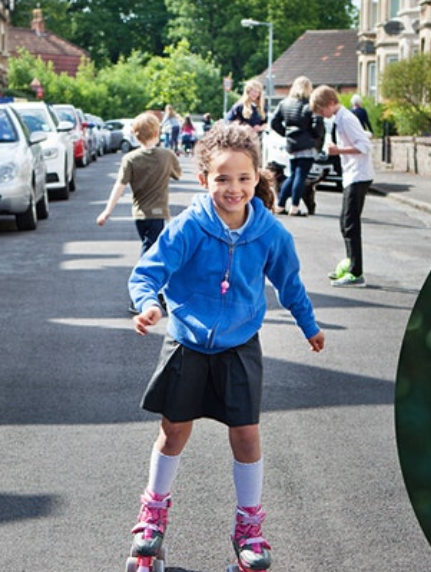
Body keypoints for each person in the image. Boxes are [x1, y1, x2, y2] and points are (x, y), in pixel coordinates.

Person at [125, 123, 325, 572]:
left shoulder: (271, 233)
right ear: (204, 181)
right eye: (222, 179)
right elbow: (147, 272)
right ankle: (152, 517)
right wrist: (148, 305)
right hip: (188, 343)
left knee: (247, 435)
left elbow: (289, 284)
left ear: (257, 178)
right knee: (174, 430)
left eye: (242, 179)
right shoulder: (189, 228)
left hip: (239, 345)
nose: (233, 188)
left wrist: (308, 323)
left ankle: (249, 527)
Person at [95, 112, 182, 312]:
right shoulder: (166, 155)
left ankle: (153, 293)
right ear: (157, 132)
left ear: (135, 135)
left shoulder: (130, 159)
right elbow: (177, 174)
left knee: (150, 250)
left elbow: (119, 185)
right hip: (158, 213)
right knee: (151, 254)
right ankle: (141, 296)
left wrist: (108, 211)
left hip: (140, 214)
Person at [310, 85, 373, 288]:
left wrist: (338, 150)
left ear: (330, 103)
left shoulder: (346, 119)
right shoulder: (340, 119)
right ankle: (351, 264)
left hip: (358, 175)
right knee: (345, 223)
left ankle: (356, 272)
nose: (322, 115)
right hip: (352, 175)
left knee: (350, 224)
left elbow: (364, 146)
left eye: (321, 111)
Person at [270, 76, 324, 217]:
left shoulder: (284, 103)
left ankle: (280, 205)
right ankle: (294, 207)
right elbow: (317, 126)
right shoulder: (309, 105)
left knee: (293, 175)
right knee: (300, 176)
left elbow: (274, 123)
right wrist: (313, 137)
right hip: (306, 145)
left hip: (292, 145)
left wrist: (286, 133)